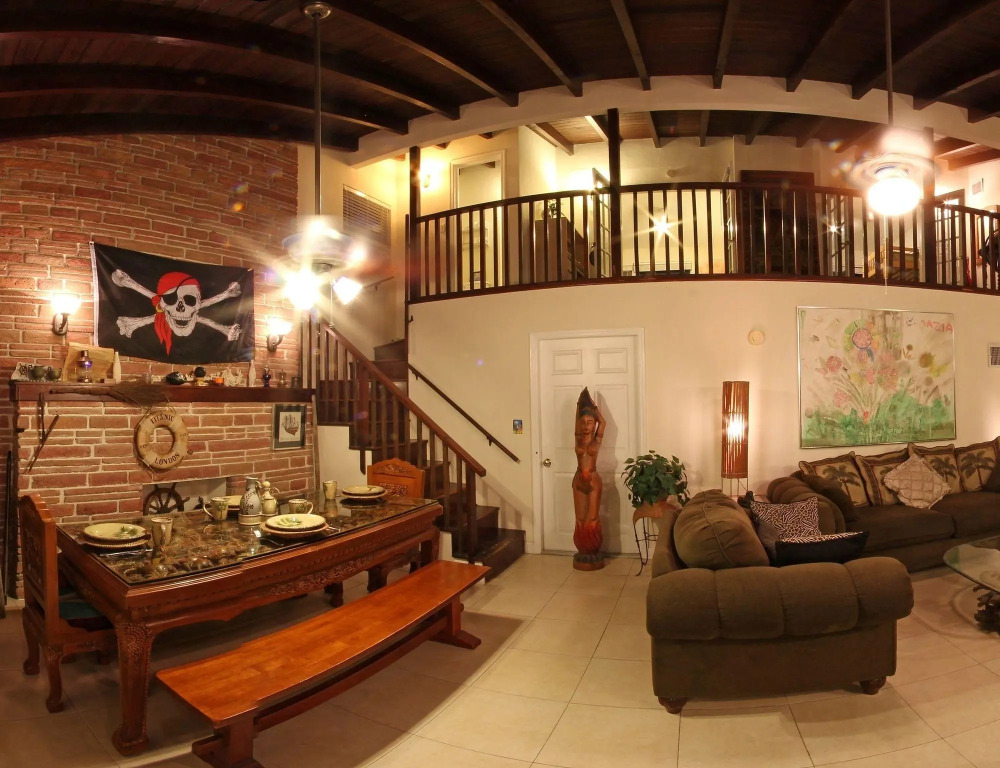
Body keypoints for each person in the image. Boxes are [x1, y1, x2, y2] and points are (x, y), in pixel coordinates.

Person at [572, 388, 606, 570]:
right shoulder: (577, 438)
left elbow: (604, 422)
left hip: (593, 479)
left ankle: (593, 549)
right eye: (583, 422)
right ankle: (582, 549)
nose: (586, 426)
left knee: (592, 517)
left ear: (594, 425)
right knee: (580, 518)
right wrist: (579, 406)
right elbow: (577, 421)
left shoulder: (596, 440)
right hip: (578, 479)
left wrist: (593, 407)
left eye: (590, 422)